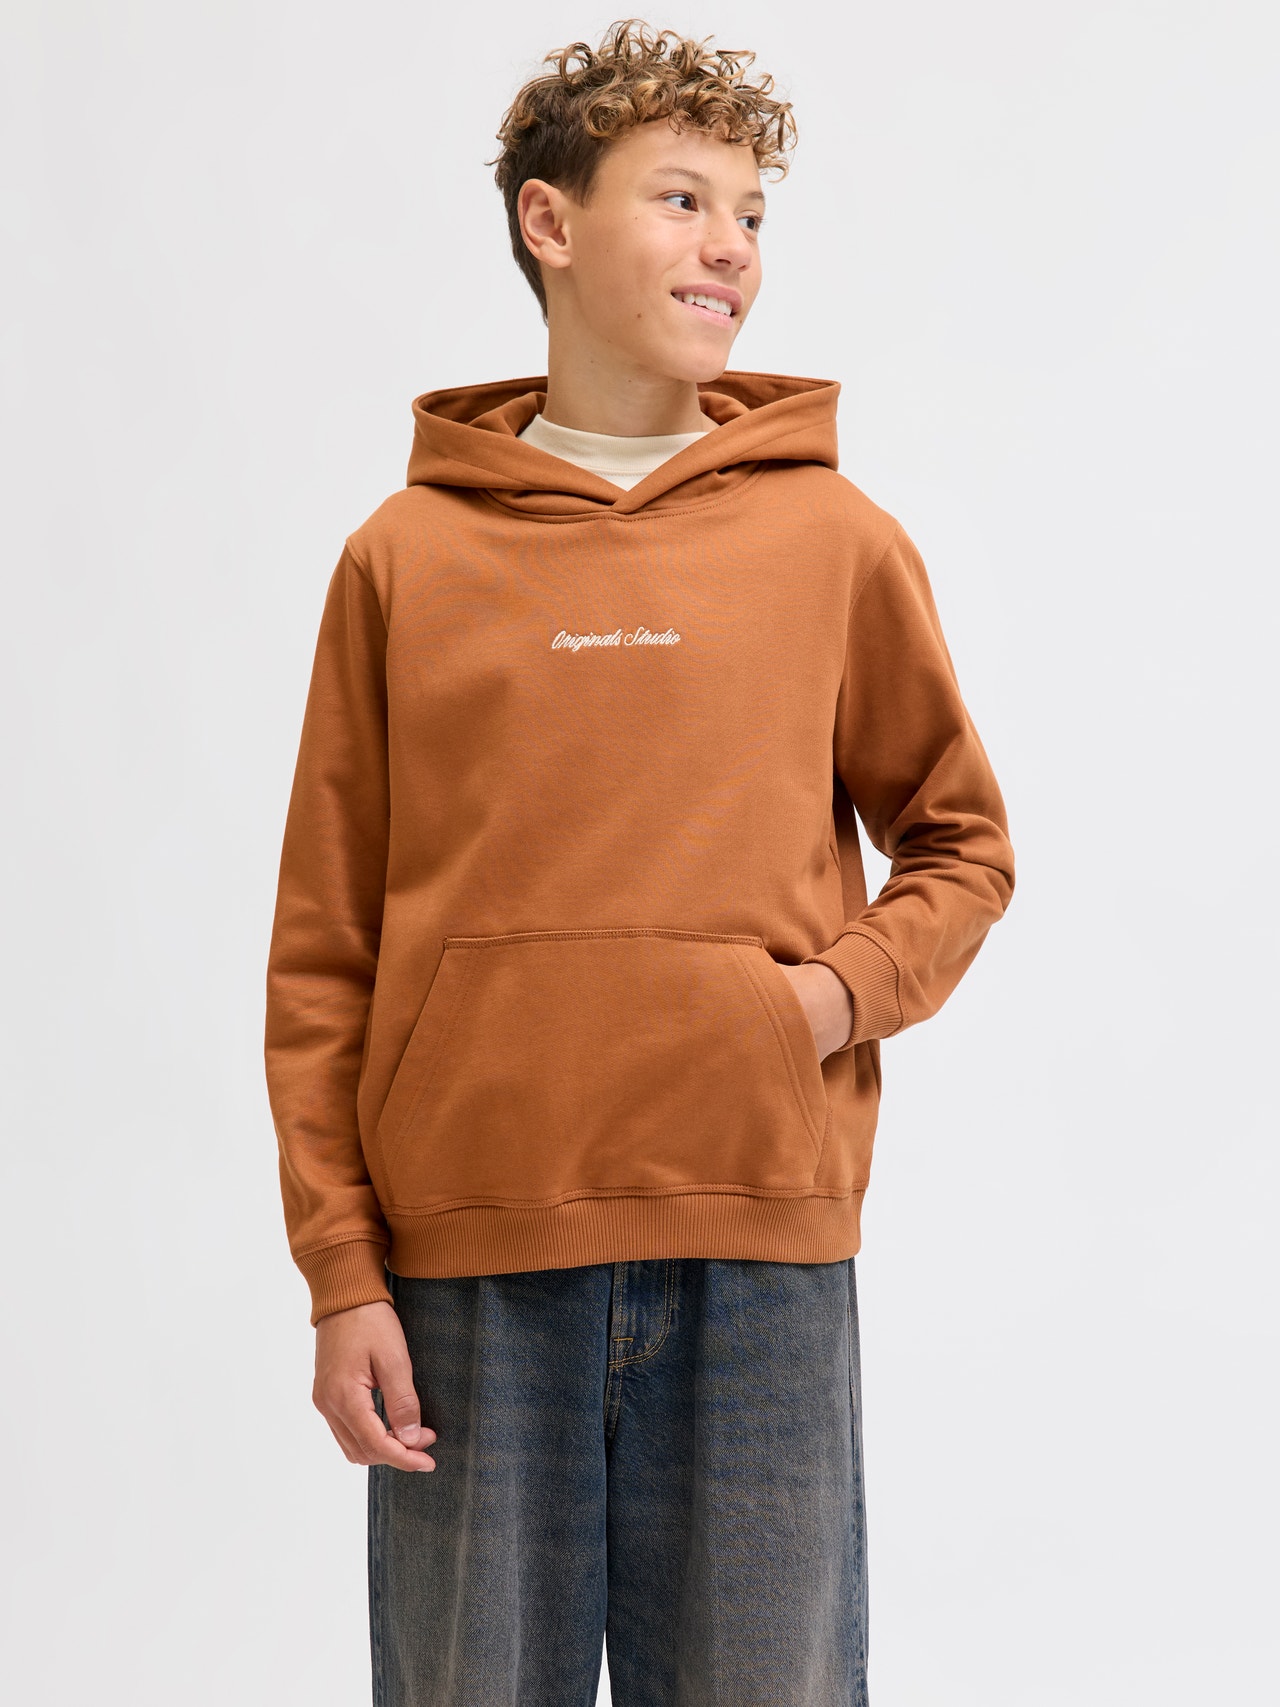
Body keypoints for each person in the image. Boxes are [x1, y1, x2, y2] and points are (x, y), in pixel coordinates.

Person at [263, 19, 1016, 1705]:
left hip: (760, 1259)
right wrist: (339, 1277)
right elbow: (323, 951)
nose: (730, 243)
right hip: (467, 1277)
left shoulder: (832, 540)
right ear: (549, 222)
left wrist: (825, 1004)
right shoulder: (403, 559)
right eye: (681, 199)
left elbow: (962, 844)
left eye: (750, 212)